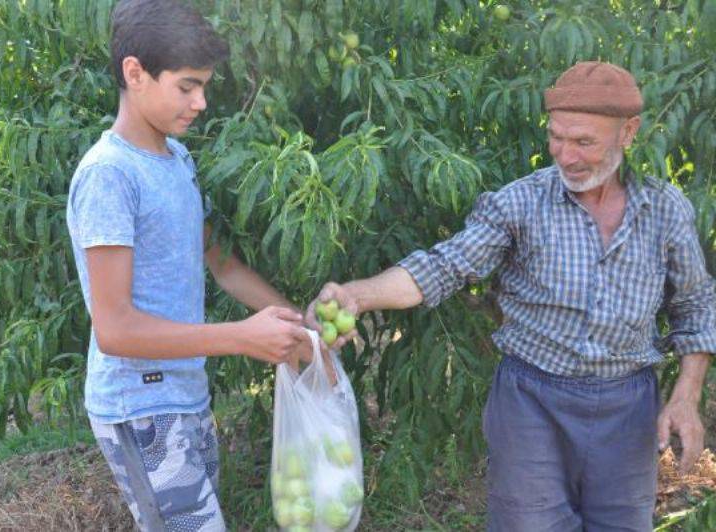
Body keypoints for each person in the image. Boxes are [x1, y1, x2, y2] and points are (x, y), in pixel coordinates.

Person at [306, 61, 716, 531]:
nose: (565, 155)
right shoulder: (521, 202)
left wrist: (686, 395)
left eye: (584, 142)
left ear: (629, 131)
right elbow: (446, 265)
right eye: (556, 137)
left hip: (627, 407)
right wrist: (359, 295)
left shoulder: (666, 210)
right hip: (531, 402)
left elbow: (696, 305)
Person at [65, 1, 312, 530]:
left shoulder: (177, 160)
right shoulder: (109, 176)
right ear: (135, 73)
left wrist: (299, 322)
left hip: (183, 396)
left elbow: (220, 263)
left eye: (204, 86)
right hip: (140, 408)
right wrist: (241, 337)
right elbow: (115, 329)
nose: (201, 102)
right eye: (186, 86)